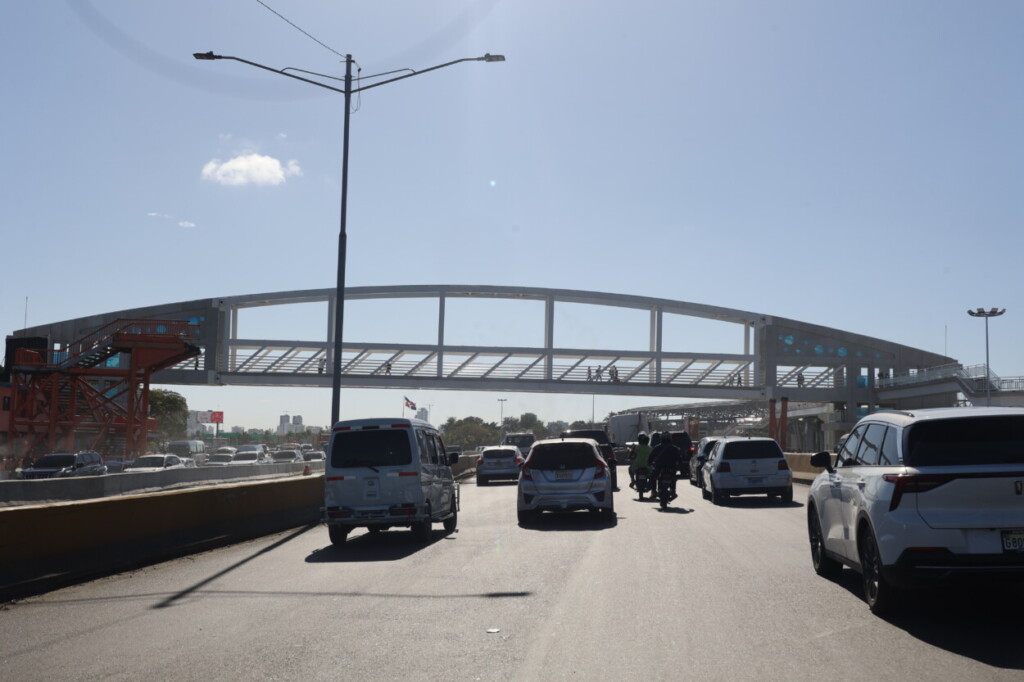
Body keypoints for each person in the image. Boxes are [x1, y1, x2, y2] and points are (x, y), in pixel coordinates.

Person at [649, 431, 684, 502]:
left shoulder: (657, 447)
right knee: (673, 478)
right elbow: (680, 459)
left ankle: (653, 492)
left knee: (653, 476)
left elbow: (650, 458)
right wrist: (680, 466)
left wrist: (649, 463)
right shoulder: (674, 448)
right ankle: (673, 491)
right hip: (671, 468)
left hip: (659, 468)